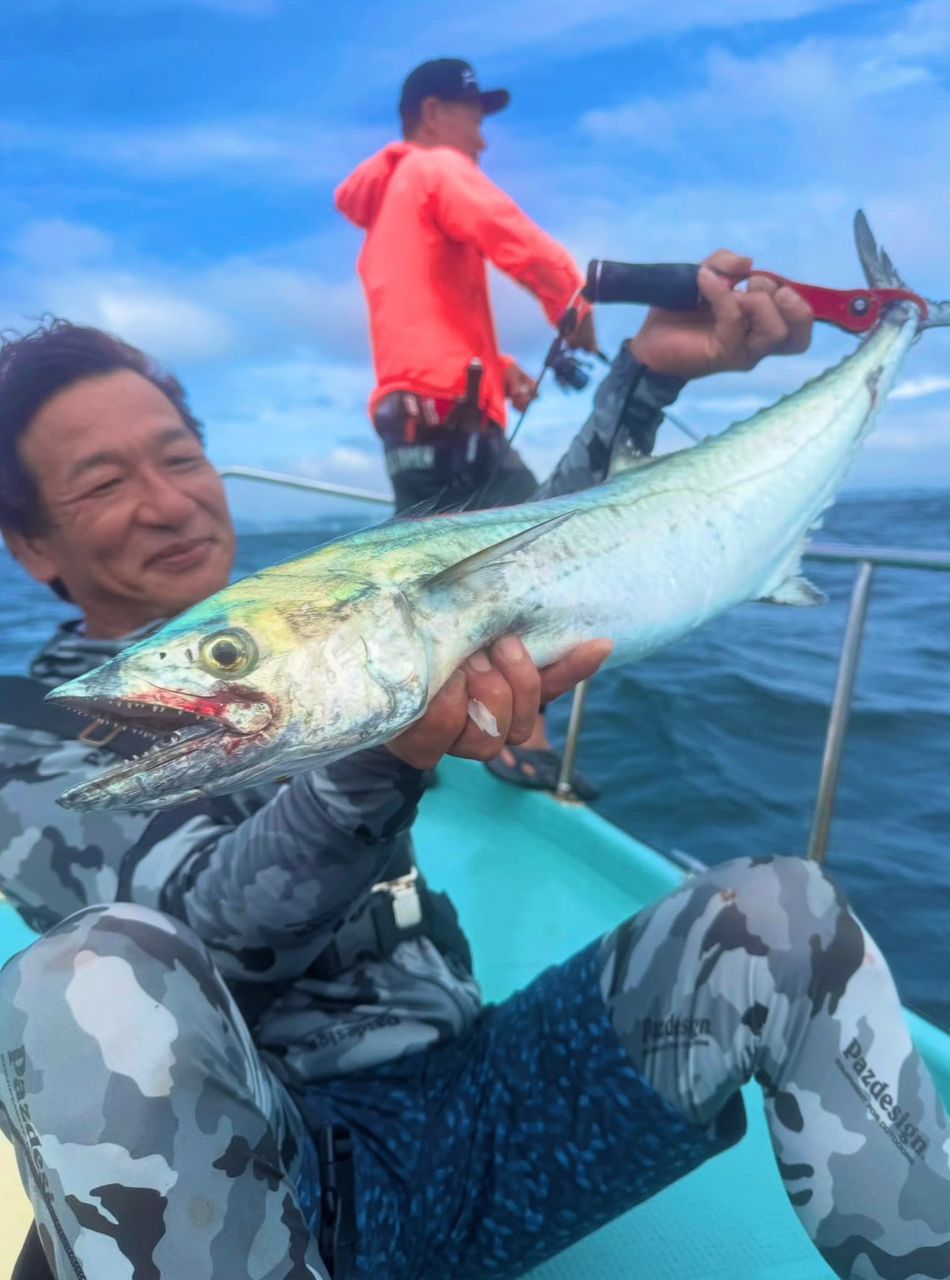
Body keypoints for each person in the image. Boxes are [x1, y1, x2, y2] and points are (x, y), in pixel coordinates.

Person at [3, 285, 947, 1280]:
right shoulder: (36, 734)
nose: (166, 500)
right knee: (87, 977)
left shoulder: (340, 606)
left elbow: (555, 550)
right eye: (103, 483)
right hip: (249, 1186)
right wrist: (385, 752)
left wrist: (647, 374)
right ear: (30, 544)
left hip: (476, 1114)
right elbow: (214, 934)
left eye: (183, 456)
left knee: (776, 916)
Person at [335, 57, 599, 517]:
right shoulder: (435, 168)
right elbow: (516, 240)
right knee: (541, 544)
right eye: (475, 123)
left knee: (447, 574)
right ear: (432, 113)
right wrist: (574, 310)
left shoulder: (388, 213)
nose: (482, 141)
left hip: (409, 435)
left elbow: (420, 328)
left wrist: (499, 369)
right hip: (456, 427)